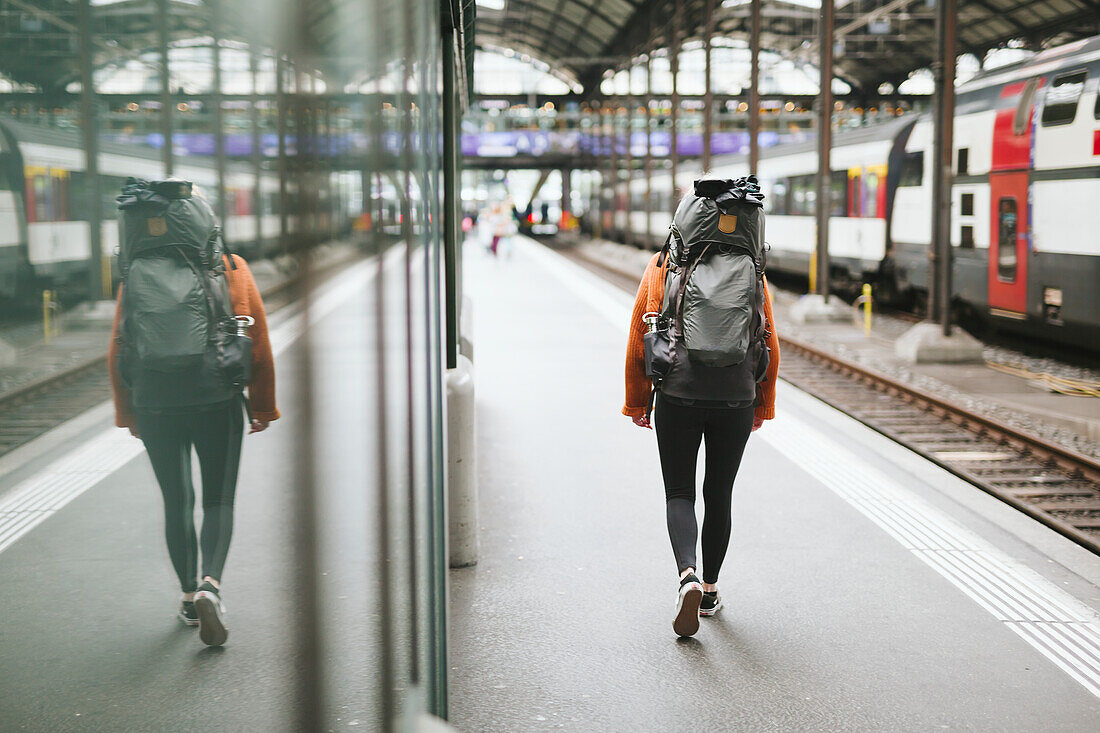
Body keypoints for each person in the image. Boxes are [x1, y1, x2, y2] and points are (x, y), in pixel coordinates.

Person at [108, 231, 278, 647]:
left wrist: (127, 412)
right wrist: (262, 406)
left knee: (176, 499)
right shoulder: (231, 266)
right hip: (215, 398)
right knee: (218, 499)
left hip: (154, 403)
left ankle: (187, 597)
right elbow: (257, 342)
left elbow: (118, 344)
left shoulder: (135, 273)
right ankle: (210, 587)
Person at [622, 204, 780, 638]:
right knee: (720, 493)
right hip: (736, 397)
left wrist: (638, 403)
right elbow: (768, 339)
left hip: (678, 393)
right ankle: (709, 592)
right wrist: (761, 405)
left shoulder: (663, 266)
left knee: (679, 492)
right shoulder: (752, 270)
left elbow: (640, 335)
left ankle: (687, 575)